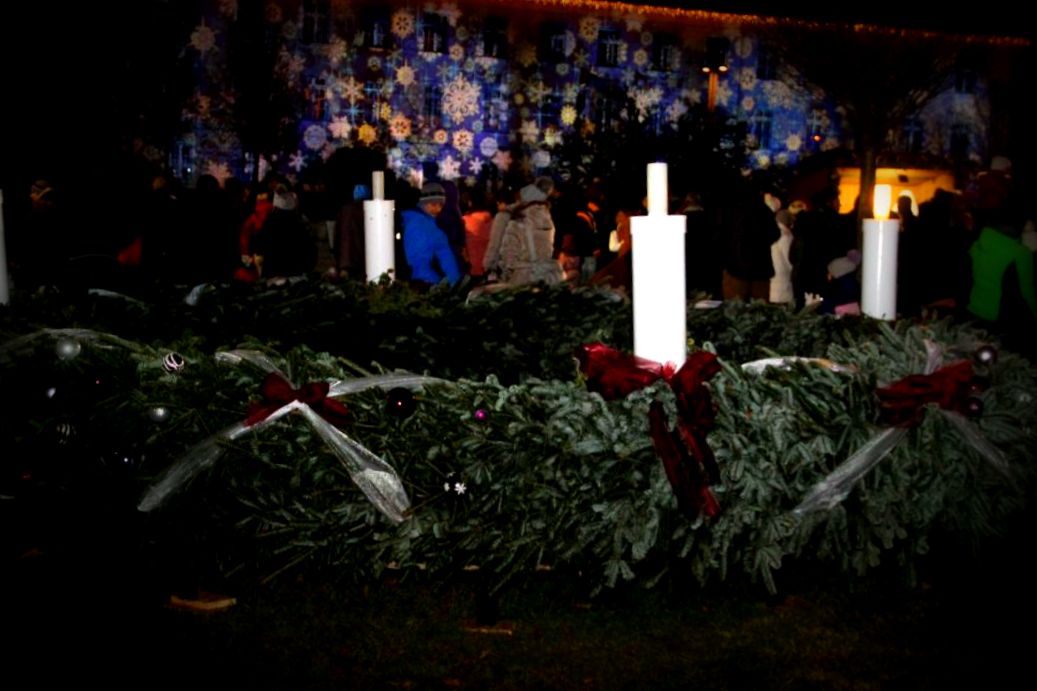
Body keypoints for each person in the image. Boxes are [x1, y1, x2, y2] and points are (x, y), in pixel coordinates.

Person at [490, 178, 563, 286]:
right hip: (546, 278)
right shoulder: (548, 221)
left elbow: (508, 260)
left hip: (523, 280)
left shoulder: (516, 224)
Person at [401, 182, 461, 287]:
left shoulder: (430, 224)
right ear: (423, 203)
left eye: (441, 205)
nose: (438, 209)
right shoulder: (419, 225)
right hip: (424, 284)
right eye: (433, 204)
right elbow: (418, 263)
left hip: (427, 282)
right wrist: (436, 284)